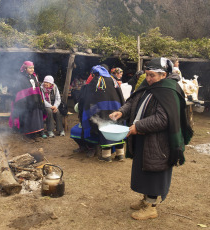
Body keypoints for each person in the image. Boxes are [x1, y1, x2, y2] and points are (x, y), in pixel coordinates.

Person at [109, 57, 193, 220]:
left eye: (152, 75)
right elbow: (133, 100)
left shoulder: (169, 90)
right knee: (144, 169)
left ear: (164, 75)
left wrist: (137, 127)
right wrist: (122, 112)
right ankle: (145, 200)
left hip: (159, 142)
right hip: (144, 138)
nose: (148, 79)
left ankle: (151, 208)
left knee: (155, 171)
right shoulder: (149, 86)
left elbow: (162, 119)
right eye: (147, 75)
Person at [78, 65, 126, 161]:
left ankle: (106, 156)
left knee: (105, 128)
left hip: (102, 109)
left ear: (95, 73)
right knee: (117, 128)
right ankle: (120, 154)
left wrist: (86, 108)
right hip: (116, 108)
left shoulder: (96, 80)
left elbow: (87, 97)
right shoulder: (113, 79)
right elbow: (120, 94)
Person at [9, 61, 46, 143]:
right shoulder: (21, 78)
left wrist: (38, 100)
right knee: (26, 118)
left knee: (34, 119)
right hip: (25, 102)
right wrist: (24, 102)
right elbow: (20, 91)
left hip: (34, 100)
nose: (32, 69)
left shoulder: (34, 77)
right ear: (25, 68)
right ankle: (26, 136)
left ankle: (33, 135)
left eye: (33, 67)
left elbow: (37, 89)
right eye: (30, 68)